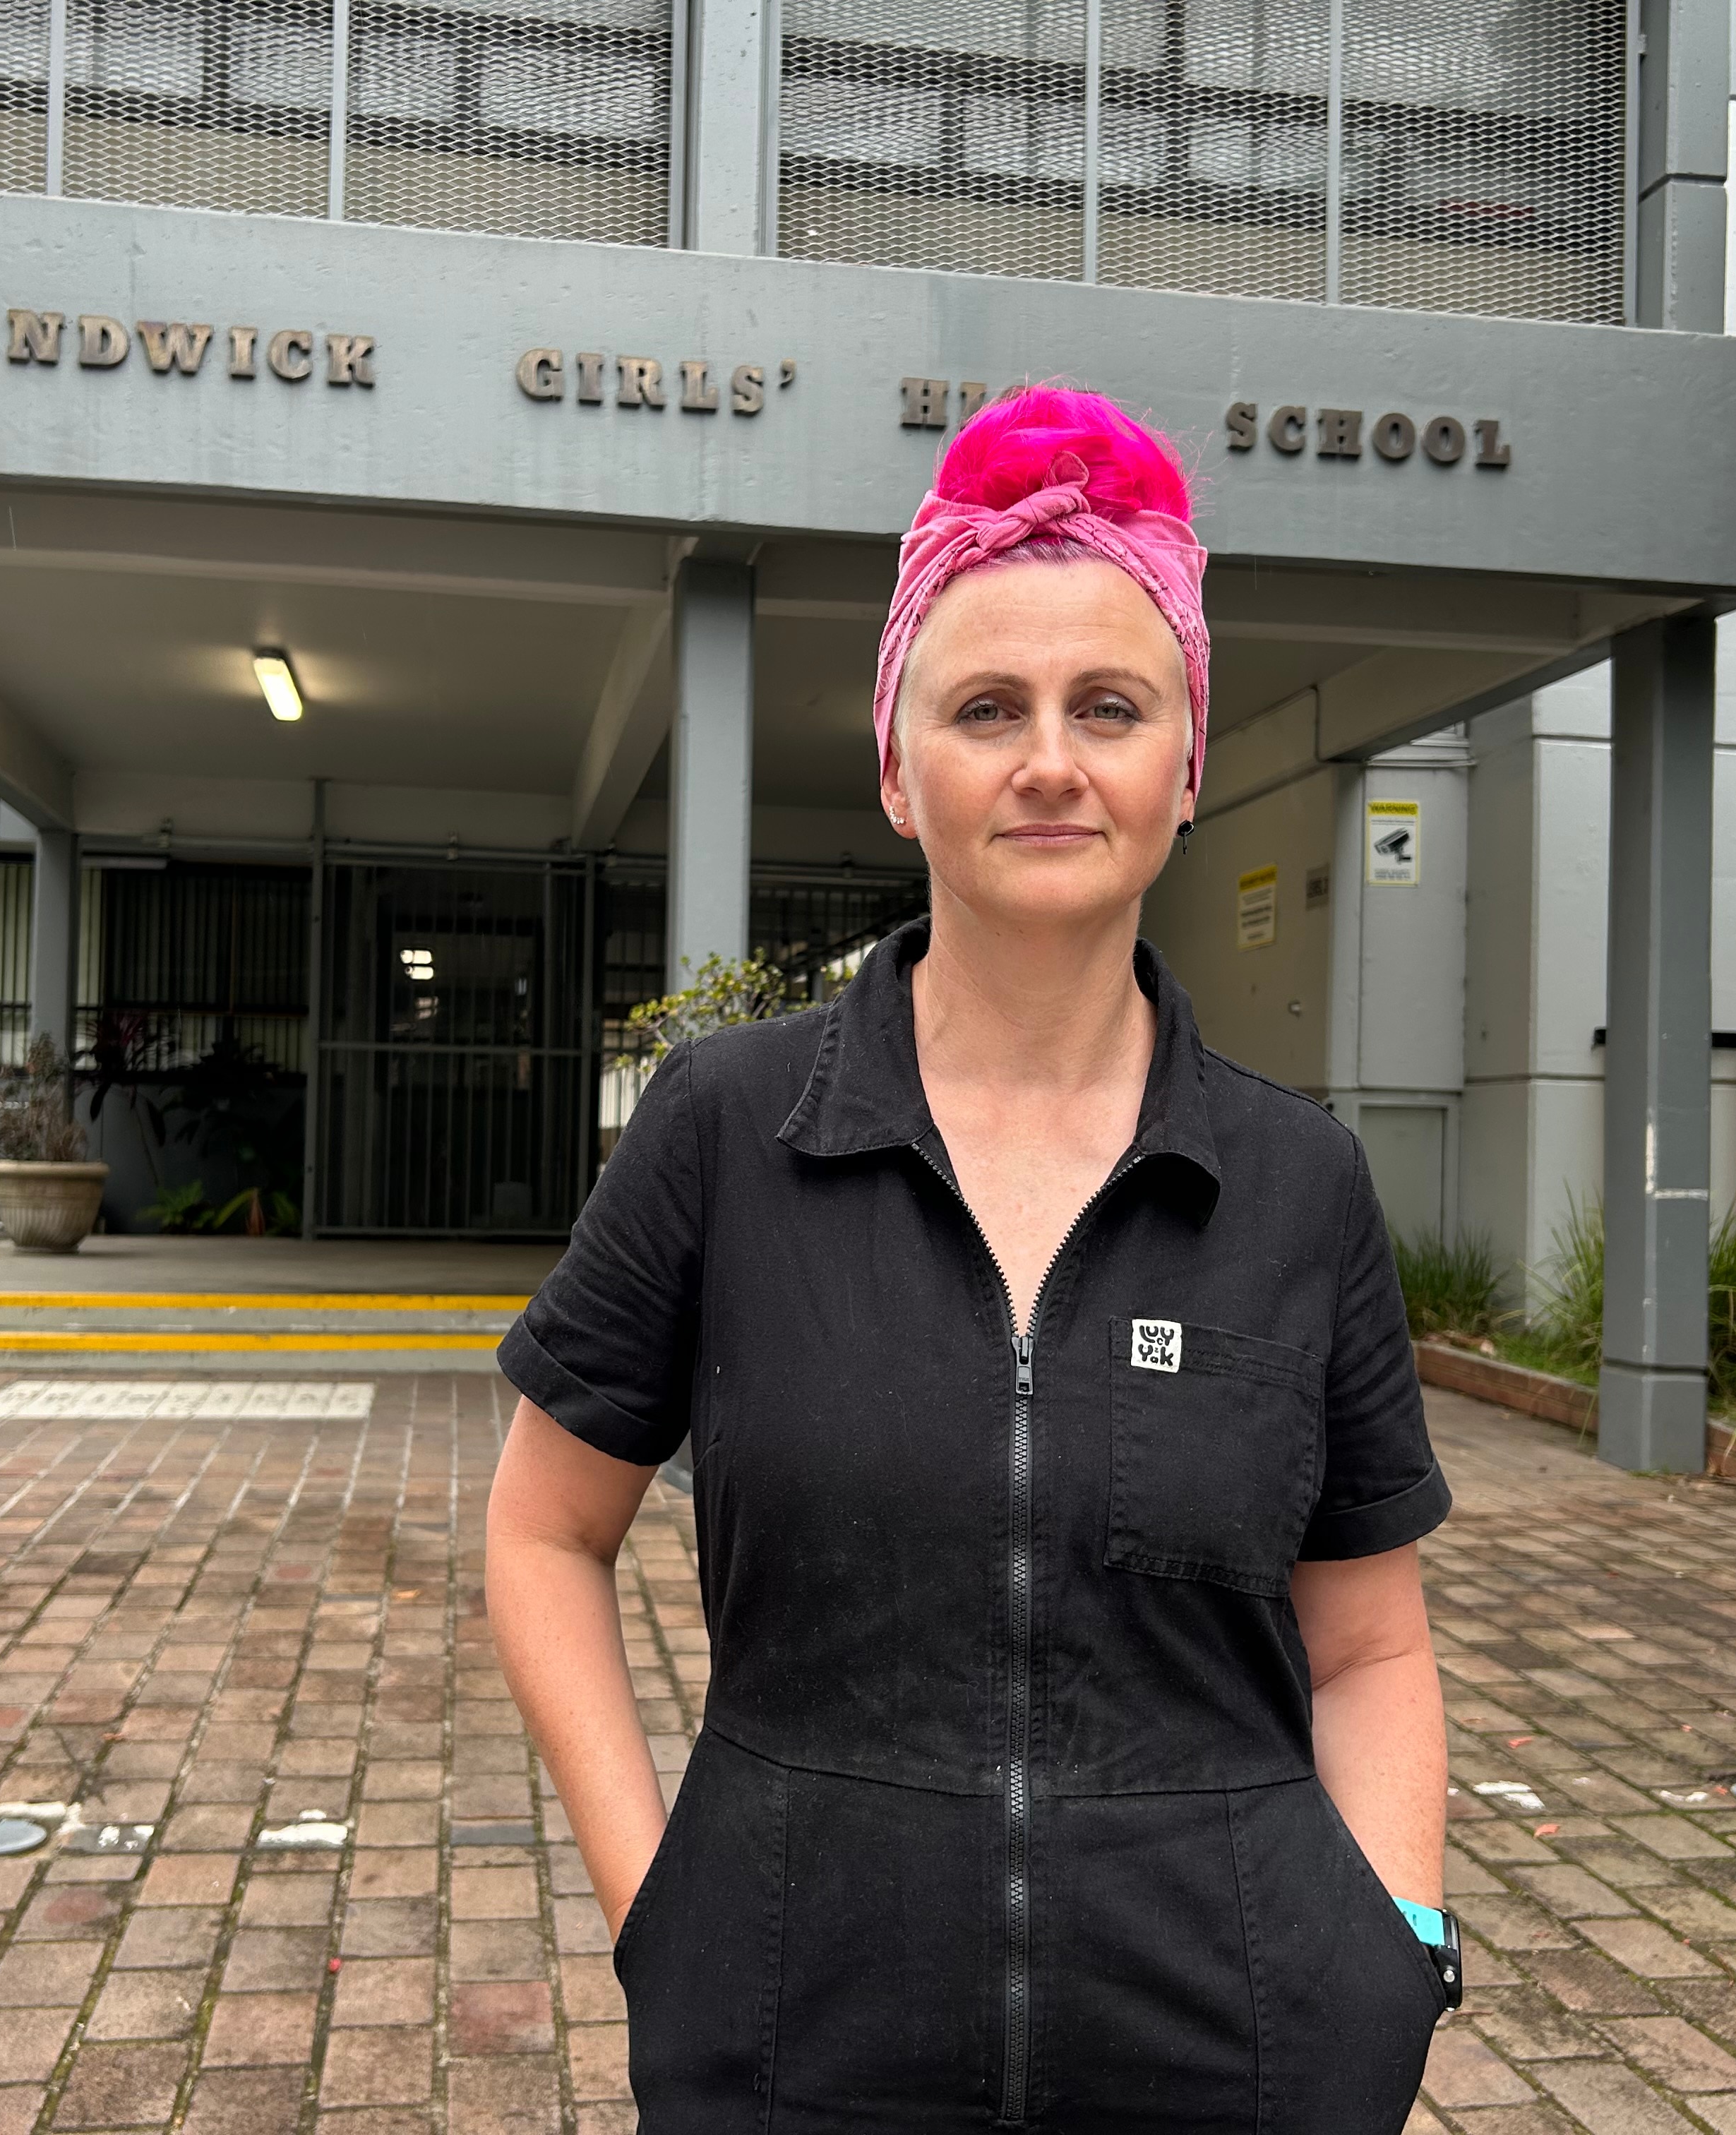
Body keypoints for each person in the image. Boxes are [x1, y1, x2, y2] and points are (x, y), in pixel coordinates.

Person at [486, 385, 1456, 2132]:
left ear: (1187, 758)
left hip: (1233, 2058)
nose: (1050, 761)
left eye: (1110, 706)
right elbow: (543, 1533)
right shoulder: (724, 1127)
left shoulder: (1297, 1184)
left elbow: (1373, 1645)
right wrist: (665, 1918)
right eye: (986, 708)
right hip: (796, 2050)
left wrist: (1391, 1948)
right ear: (894, 761)